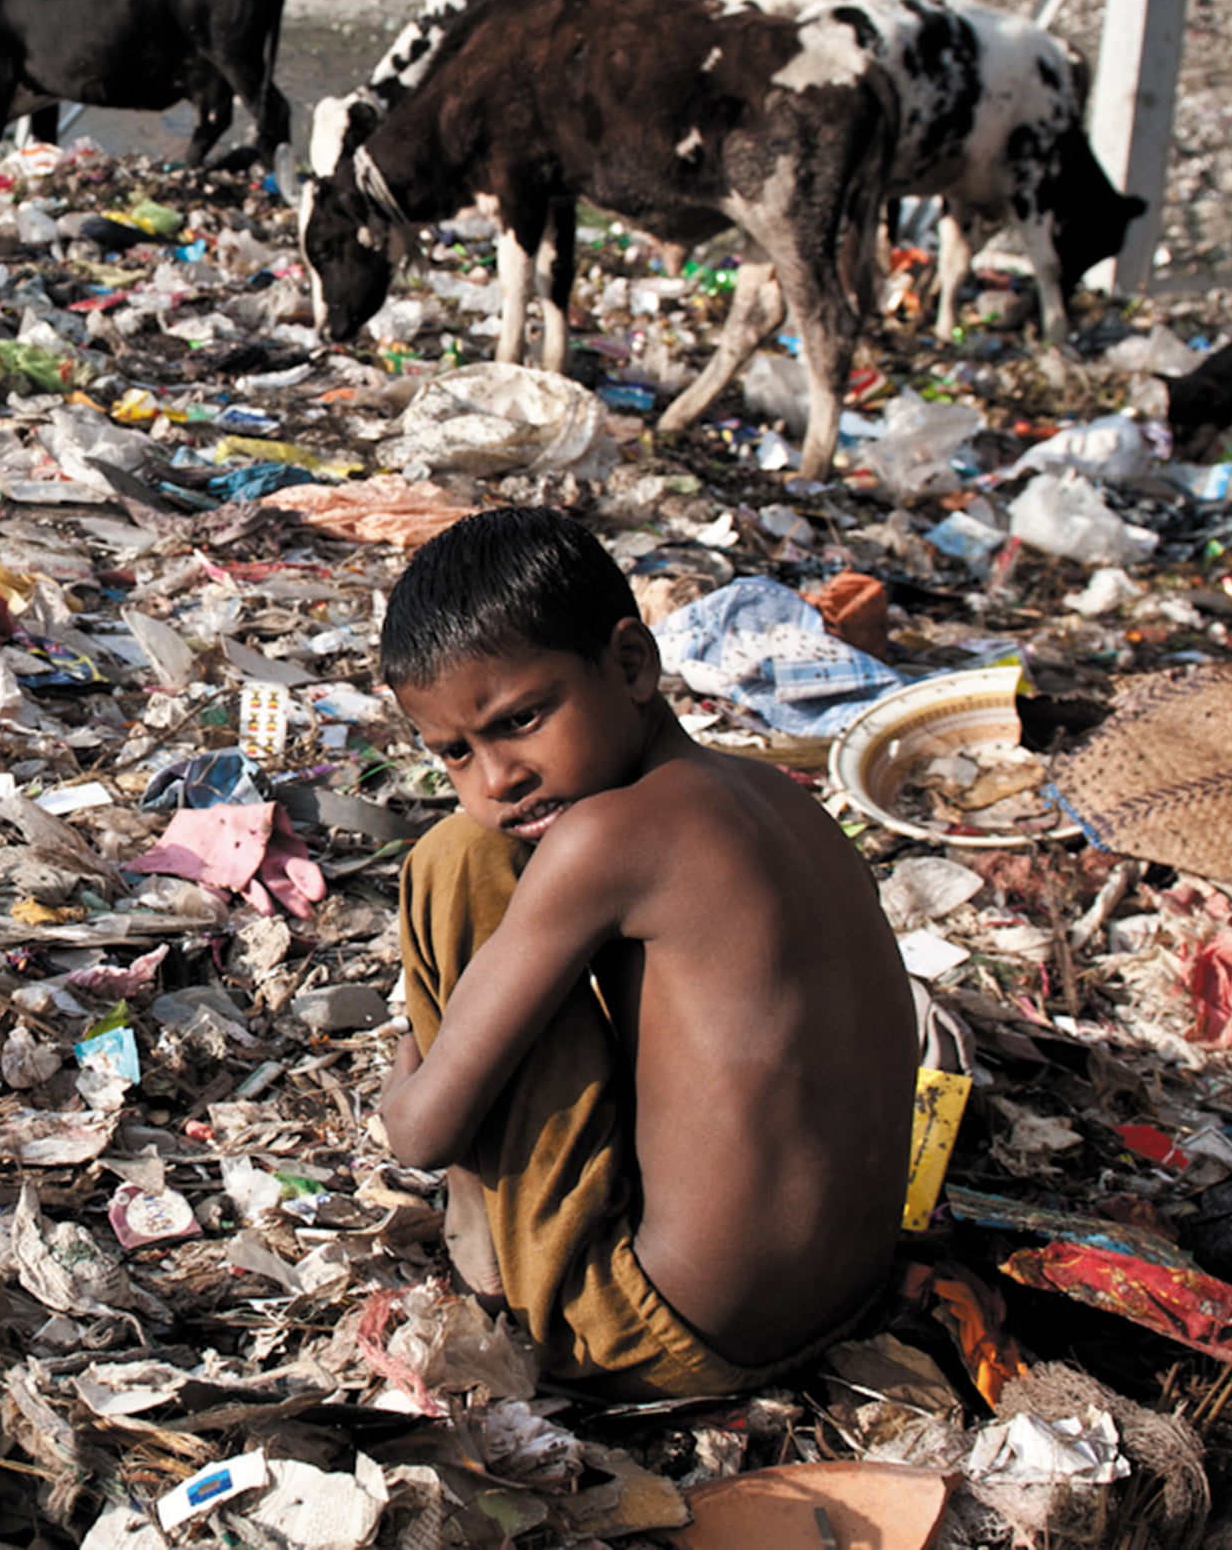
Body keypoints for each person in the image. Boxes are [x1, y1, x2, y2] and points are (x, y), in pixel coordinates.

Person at [376, 506, 916, 1399]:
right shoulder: (778, 799)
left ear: (632, 664)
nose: (496, 779)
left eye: (522, 719)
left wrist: (406, 1077)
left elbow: (422, 1134)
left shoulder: (606, 838)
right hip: (848, 1302)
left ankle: (492, 1251)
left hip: (659, 1337)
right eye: (454, 754)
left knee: (456, 856)